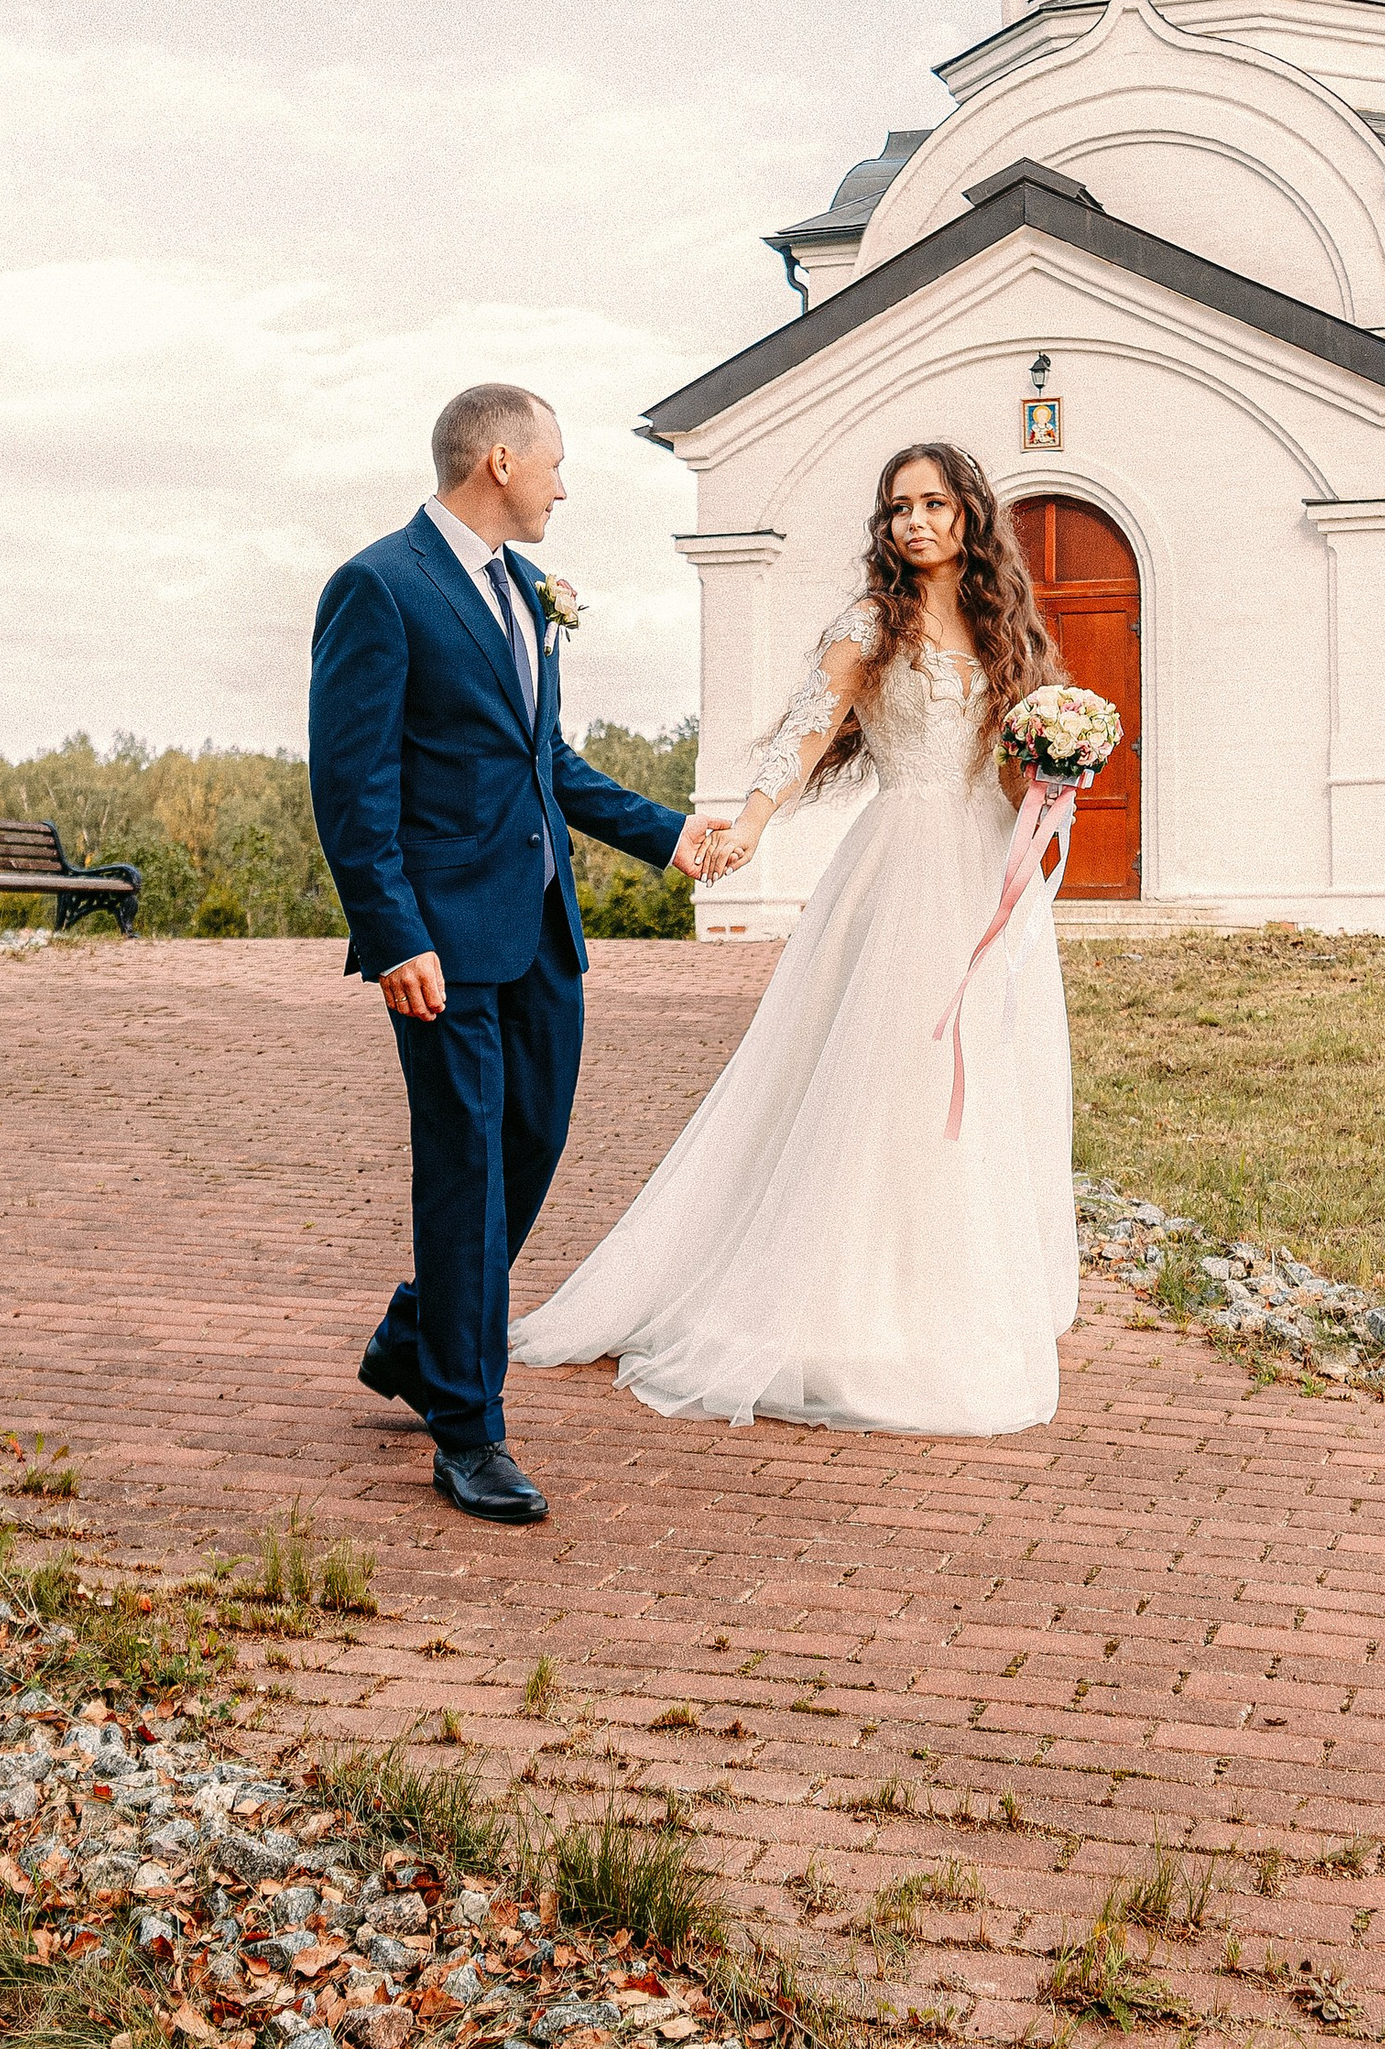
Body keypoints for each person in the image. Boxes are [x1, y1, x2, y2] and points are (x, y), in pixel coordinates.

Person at [511, 441, 1079, 1437]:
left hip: (985, 866)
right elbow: (804, 734)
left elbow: (1009, 759)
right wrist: (747, 825)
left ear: (968, 516)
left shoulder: (1005, 626)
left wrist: (1055, 782)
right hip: (901, 866)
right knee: (887, 1070)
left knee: (986, 1069)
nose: (914, 521)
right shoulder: (871, 622)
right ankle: (852, 1304)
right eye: (898, 504)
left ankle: (965, 1286)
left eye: (935, 503)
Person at [307, 384, 716, 1524]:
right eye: (554, 464)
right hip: (440, 939)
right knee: (466, 1161)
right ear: (499, 461)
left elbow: (549, 764)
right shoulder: (380, 585)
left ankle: (419, 1334)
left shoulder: (528, 592)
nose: (562, 485)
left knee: (530, 1142)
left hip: (540, 927)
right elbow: (351, 787)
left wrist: (668, 834)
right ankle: (468, 1428)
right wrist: (394, 933)